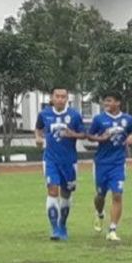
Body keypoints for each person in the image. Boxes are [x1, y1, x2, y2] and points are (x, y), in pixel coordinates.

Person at [36, 87, 86, 241]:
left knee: (66, 194)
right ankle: (55, 229)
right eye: (57, 96)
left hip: (69, 162)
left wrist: (73, 134)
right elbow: (38, 129)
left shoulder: (74, 115)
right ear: (51, 98)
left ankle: (62, 224)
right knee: (52, 190)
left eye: (63, 96)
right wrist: (38, 138)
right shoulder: (44, 114)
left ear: (67, 98)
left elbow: (84, 134)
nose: (60, 99)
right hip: (50, 160)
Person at [88, 91, 132, 241]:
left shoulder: (128, 119)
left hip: (118, 163)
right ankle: (99, 213)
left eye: (109, 101)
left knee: (117, 194)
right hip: (101, 163)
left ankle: (112, 229)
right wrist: (100, 138)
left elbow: (130, 132)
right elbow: (89, 136)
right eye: (105, 101)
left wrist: (130, 138)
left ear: (118, 103)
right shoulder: (99, 119)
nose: (106, 104)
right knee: (100, 196)